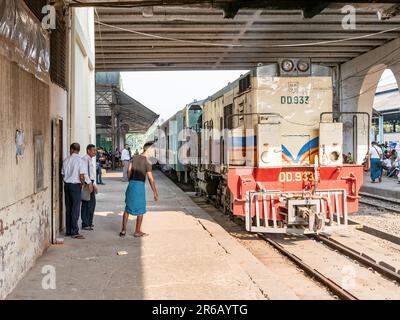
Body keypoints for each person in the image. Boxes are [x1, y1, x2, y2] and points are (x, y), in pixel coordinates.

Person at [119, 142, 159, 238]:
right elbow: (150, 178)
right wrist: (155, 192)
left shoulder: (134, 157)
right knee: (141, 209)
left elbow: (129, 170)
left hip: (131, 184)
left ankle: (123, 230)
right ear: (148, 149)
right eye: (153, 150)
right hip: (140, 186)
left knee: (127, 208)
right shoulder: (148, 161)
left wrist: (130, 179)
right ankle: (137, 231)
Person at [61, 143, 86, 239]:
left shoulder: (66, 160)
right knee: (75, 209)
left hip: (67, 185)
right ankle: (74, 231)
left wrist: (67, 181)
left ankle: (68, 231)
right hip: (75, 186)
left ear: (71, 149)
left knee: (68, 208)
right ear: (78, 150)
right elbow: (82, 176)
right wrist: (82, 184)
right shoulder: (80, 161)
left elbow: (63, 174)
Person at [81, 144, 98, 231]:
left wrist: (94, 183)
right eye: (93, 150)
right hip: (87, 183)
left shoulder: (90, 159)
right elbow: (84, 173)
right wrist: (89, 183)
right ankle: (85, 223)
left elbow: (91, 173)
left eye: (95, 150)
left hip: (91, 182)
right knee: (86, 204)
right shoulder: (84, 159)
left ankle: (89, 222)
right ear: (88, 151)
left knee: (92, 203)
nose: (95, 152)